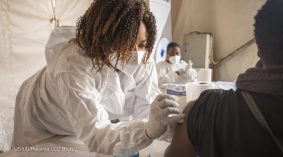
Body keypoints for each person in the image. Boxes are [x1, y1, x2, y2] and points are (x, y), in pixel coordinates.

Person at [12, 0, 185, 155]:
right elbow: (97, 133)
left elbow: (146, 110)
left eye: (142, 45)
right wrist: (147, 131)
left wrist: (166, 126)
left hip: (82, 121)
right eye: (126, 45)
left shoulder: (144, 61)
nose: (137, 54)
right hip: (41, 115)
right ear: (106, 39)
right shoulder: (73, 67)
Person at [165, 0, 283, 156]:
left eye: (178, 53)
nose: (176, 56)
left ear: (260, 51)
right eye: (173, 53)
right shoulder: (162, 68)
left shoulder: (204, 109)